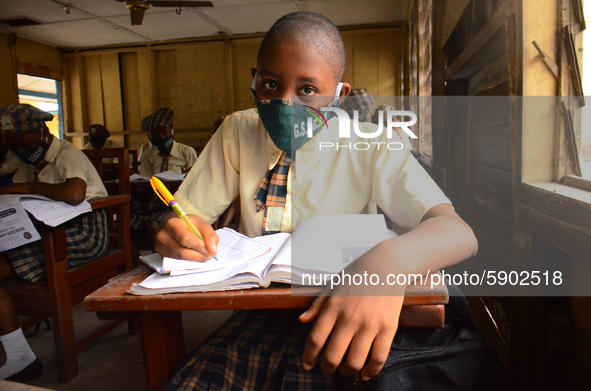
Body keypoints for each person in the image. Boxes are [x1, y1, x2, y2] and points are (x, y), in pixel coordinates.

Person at [157, 12, 478, 390]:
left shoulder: (371, 142)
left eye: (307, 90)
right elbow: (186, 215)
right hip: (259, 314)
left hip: (347, 302)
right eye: (270, 84)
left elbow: (458, 233)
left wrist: (387, 262)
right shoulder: (237, 129)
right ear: (254, 79)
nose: (284, 103)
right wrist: (174, 229)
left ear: (339, 94)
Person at [0, 104, 109, 381]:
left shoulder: (65, 153)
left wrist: (29, 187)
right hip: (45, 230)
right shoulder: (21, 157)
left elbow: (74, 194)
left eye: (25, 145)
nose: (21, 152)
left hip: (83, 232)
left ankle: (18, 356)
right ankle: (17, 352)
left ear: (42, 130)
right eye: (14, 147)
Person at [139, 107, 197, 177]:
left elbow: (195, 177)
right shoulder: (147, 155)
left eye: (165, 132)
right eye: (156, 134)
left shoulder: (187, 152)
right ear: (150, 137)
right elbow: (145, 178)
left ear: (172, 132)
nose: (161, 137)